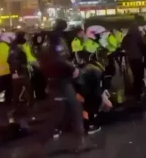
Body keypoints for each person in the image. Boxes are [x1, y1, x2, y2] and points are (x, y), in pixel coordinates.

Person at [39, 19, 95, 152]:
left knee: (62, 113)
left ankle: (39, 145)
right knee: (73, 110)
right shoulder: (55, 40)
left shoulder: (48, 41)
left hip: (57, 80)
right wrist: (72, 68)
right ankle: (40, 145)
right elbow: (59, 59)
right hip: (61, 81)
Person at [121, 24, 146, 103]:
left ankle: (134, 92)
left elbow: (122, 47)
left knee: (133, 75)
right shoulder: (138, 37)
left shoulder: (126, 37)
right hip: (138, 58)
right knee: (139, 76)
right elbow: (143, 46)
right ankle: (138, 93)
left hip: (130, 59)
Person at [7, 31, 34, 107]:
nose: (27, 37)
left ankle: (18, 104)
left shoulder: (17, 46)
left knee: (19, 89)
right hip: (20, 71)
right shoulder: (17, 48)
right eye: (25, 36)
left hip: (20, 71)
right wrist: (15, 71)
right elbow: (11, 60)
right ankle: (26, 104)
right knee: (26, 88)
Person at [0, 32, 15, 103]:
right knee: (8, 87)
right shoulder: (6, 47)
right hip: (7, 70)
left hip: (1, 71)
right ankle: (8, 100)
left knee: (5, 86)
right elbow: (8, 58)